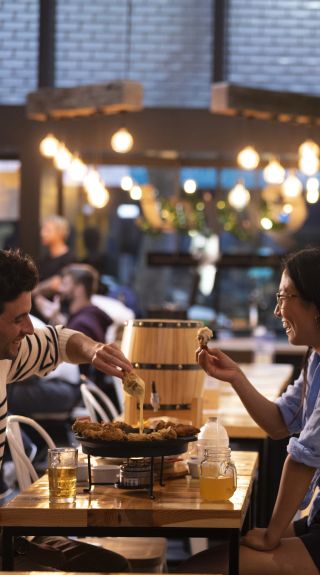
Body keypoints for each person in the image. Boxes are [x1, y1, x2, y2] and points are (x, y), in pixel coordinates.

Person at [183, 247, 320, 575]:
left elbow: (303, 459)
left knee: (201, 570)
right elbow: (278, 424)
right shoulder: (316, 358)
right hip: (317, 517)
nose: (276, 310)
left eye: (284, 296)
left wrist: (273, 534)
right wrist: (235, 377)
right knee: (217, 555)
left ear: (316, 305)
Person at [0, 247, 133, 571]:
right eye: (18, 318)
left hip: (9, 525)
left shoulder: (6, 354)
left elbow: (58, 340)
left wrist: (93, 349)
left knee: (117, 567)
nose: (30, 328)